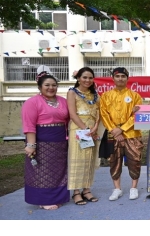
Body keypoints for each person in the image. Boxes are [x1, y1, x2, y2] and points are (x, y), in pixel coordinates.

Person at [21, 71, 70, 210]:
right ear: (40, 87)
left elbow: (68, 119)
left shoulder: (62, 101)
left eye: (54, 85)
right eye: (47, 85)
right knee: (42, 171)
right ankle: (44, 200)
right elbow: (29, 125)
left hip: (60, 141)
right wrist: (31, 145)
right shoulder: (32, 102)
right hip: (42, 142)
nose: (51, 88)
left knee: (58, 171)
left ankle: (58, 197)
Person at [99, 67, 144, 201]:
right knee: (114, 162)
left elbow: (137, 115)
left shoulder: (135, 96)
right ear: (113, 78)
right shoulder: (106, 96)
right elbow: (104, 114)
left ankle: (134, 188)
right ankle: (117, 189)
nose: (120, 79)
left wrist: (122, 129)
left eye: (123, 76)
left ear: (127, 79)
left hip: (132, 134)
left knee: (135, 161)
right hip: (113, 134)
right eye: (117, 76)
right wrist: (114, 129)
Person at [67, 67, 101, 205]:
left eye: (90, 78)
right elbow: (72, 113)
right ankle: (76, 192)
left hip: (92, 129)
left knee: (89, 160)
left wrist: (95, 127)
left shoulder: (95, 95)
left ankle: (86, 190)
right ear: (79, 78)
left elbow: (99, 112)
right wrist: (85, 129)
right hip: (79, 129)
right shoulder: (72, 92)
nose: (87, 80)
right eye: (84, 77)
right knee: (77, 159)